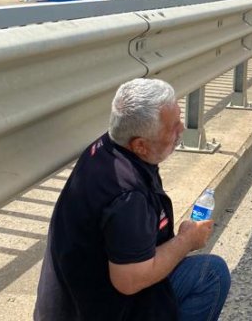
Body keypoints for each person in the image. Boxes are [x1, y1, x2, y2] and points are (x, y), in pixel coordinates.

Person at [34, 78, 231, 320]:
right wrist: (186, 241)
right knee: (212, 274)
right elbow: (130, 280)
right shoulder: (127, 197)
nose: (181, 129)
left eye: (179, 119)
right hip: (98, 310)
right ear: (140, 145)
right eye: (173, 127)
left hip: (71, 305)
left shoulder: (105, 149)